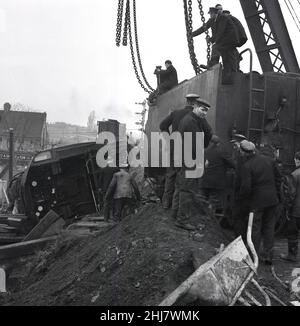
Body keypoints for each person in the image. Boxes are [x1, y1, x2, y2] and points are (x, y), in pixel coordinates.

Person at [239, 140, 281, 265]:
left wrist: (243, 200)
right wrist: (276, 193)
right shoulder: (269, 160)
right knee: (269, 227)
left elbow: (246, 188)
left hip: (257, 202)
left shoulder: (247, 166)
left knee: (255, 229)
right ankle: (268, 256)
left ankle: (253, 255)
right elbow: (279, 178)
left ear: (244, 152)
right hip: (272, 200)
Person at [175, 98, 213, 231]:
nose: (205, 113)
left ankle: (177, 215)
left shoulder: (193, 119)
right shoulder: (190, 122)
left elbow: (208, 133)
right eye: (203, 110)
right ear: (195, 107)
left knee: (182, 187)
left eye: (206, 111)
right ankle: (182, 220)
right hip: (189, 159)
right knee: (187, 190)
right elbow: (195, 145)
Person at [159, 94, 200, 211]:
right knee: (184, 180)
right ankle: (177, 209)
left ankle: (166, 205)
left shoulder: (176, 113)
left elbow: (162, 125)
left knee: (170, 175)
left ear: (187, 101)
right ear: (195, 103)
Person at [192, 7, 239, 84]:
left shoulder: (223, 18)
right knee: (225, 56)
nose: (210, 16)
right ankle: (227, 75)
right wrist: (192, 34)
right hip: (224, 41)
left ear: (214, 13)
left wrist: (212, 39)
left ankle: (230, 74)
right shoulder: (213, 20)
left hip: (230, 40)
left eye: (210, 14)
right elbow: (204, 28)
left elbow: (221, 31)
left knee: (223, 52)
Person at [201, 135, 236, 216]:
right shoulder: (221, 151)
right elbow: (233, 164)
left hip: (204, 180)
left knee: (203, 200)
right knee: (213, 201)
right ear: (218, 143)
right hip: (216, 182)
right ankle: (209, 220)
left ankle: (202, 219)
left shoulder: (205, 151)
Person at [281, 152, 300, 262]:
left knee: (292, 232)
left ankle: (292, 255)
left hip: (297, 210)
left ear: (297, 160)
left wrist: (287, 209)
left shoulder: (295, 174)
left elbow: (291, 195)